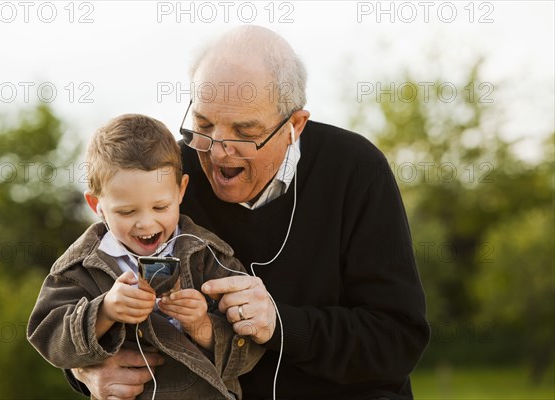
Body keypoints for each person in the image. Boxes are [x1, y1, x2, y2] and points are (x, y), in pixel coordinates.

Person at [69, 26, 430, 400]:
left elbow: (397, 340)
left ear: (294, 125)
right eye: (204, 125)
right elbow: (85, 289)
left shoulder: (356, 169)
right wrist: (85, 371)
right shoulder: (166, 179)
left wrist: (280, 323)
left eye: (244, 131)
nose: (219, 151)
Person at [28, 114, 264, 399]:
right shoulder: (80, 267)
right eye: (127, 212)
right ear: (96, 205)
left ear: (181, 190)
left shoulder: (208, 254)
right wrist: (104, 311)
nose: (146, 224)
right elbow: (48, 337)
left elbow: (253, 346)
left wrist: (200, 325)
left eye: (160, 207)